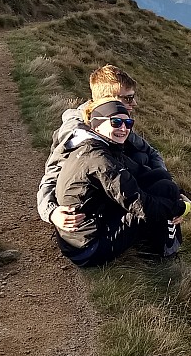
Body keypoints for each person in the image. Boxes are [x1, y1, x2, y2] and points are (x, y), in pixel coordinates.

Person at [52, 99, 191, 266]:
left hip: (92, 223)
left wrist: (179, 194)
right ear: (96, 125)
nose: (123, 128)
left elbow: (141, 173)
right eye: (116, 122)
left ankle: (163, 235)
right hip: (87, 248)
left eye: (128, 122)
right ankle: (166, 251)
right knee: (161, 199)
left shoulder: (100, 145)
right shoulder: (100, 160)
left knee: (162, 179)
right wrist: (180, 208)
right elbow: (141, 206)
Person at [37, 64, 166, 231]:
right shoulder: (76, 131)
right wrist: (51, 212)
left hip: (115, 182)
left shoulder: (116, 122)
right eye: (127, 98)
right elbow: (53, 172)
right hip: (94, 203)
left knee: (142, 158)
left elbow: (151, 152)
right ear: (107, 99)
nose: (134, 103)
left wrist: (165, 184)